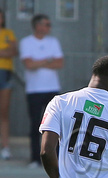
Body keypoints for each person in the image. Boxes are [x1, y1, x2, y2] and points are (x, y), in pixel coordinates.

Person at [20, 14, 64, 168]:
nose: (49, 27)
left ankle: (57, 158)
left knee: (56, 125)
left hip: (52, 89)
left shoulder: (53, 42)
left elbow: (59, 63)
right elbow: (29, 65)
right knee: (35, 125)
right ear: (38, 26)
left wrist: (39, 62)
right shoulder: (26, 42)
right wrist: (48, 60)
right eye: (47, 24)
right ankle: (35, 159)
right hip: (34, 90)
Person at [0, 8, 17, 161]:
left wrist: (6, 51)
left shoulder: (8, 33)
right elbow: (7, 51)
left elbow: (13, 51)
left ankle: (5, 147)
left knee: (4, 112)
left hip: (4, 72)